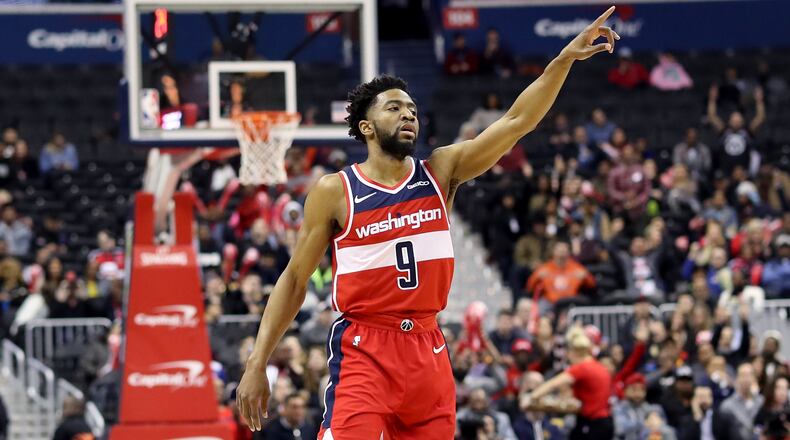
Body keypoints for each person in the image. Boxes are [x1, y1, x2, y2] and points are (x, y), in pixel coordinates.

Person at [235, 6, 621, 438]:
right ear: (365, 127)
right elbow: (293, 279)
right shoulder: (334, 190)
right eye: (394, 108)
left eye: (412, 109)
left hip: (428, 348)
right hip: (365, 347)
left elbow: (515, 122)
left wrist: (562, 60)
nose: (408, 114)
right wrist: (257, 361)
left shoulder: (440, 171)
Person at [521, 326, 614, 439]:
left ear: (573, 352)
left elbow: (553, 384)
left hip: (594, 422)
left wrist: (531, 397)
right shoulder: (599, 367)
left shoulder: (582, 368)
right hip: (602, 421)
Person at [713, 363, 765, 440]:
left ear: (754, 378)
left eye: (750, 375)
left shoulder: (762, 402)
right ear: (737, 378)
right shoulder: (727, 406)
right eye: (743, 375)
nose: (746, 379)